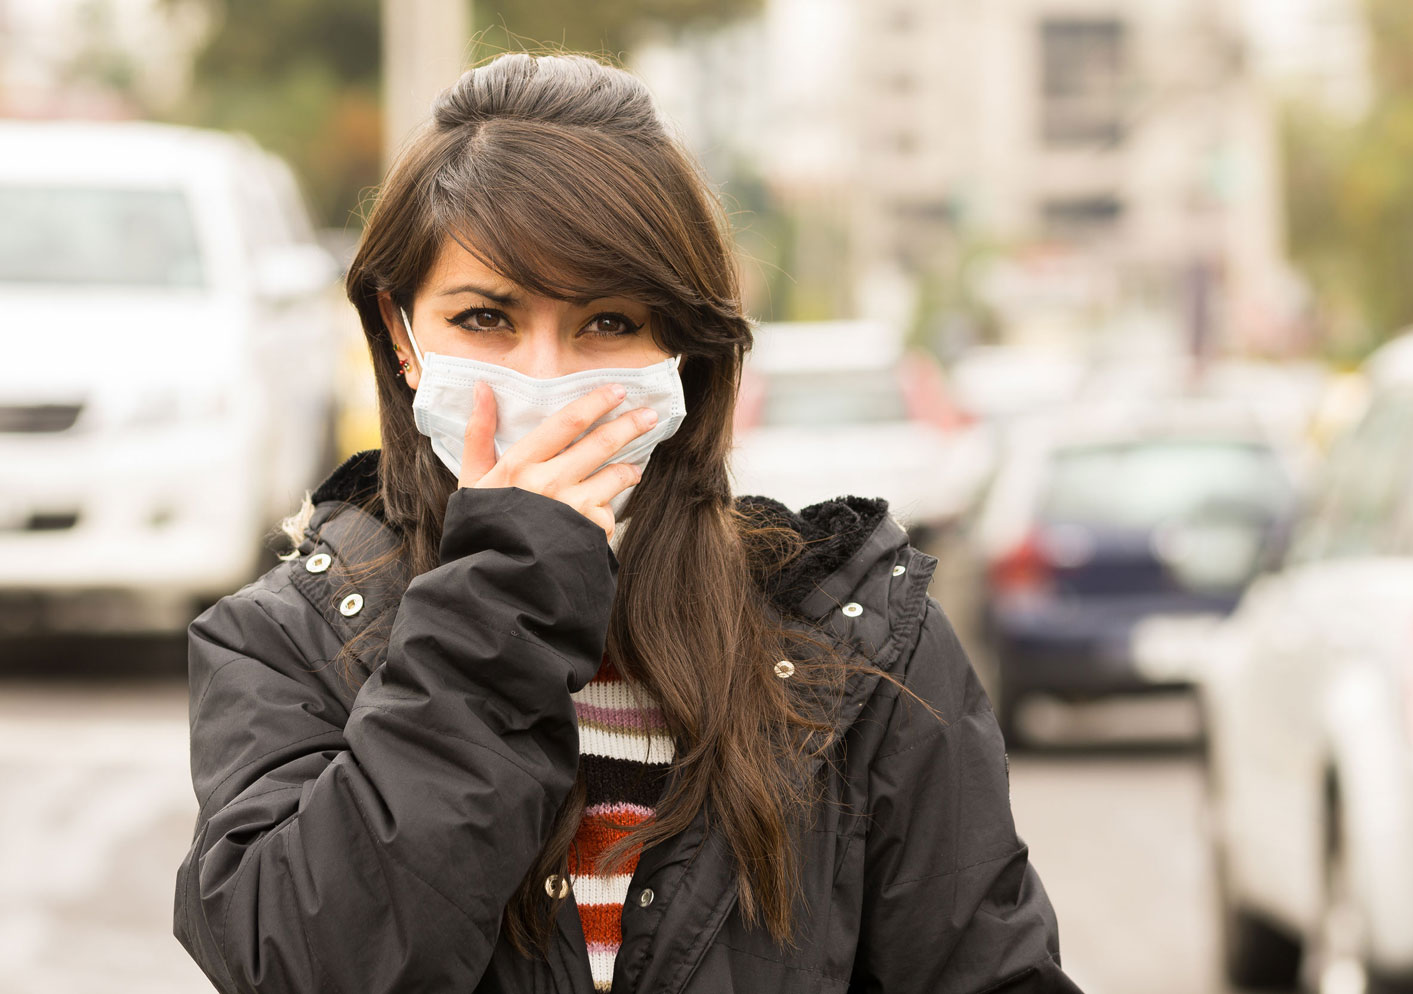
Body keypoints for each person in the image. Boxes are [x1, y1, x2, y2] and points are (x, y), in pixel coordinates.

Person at [172, 51, 1081, 994]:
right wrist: (501, 611)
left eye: (607, 323)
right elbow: (304, 965)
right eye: (487, 319)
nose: (549, 377)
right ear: (402, 337)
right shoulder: (291, 643)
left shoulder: (861, 647)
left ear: (683, 353)